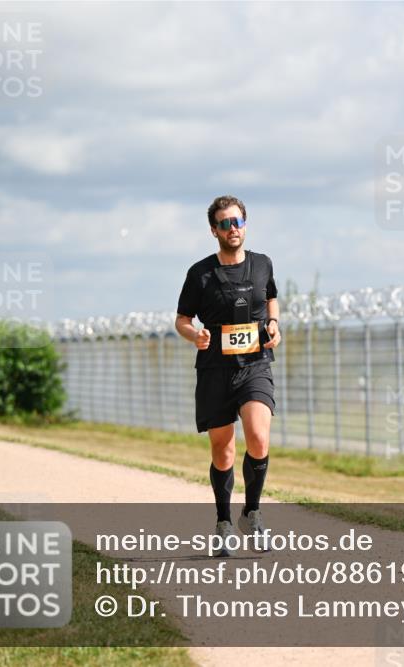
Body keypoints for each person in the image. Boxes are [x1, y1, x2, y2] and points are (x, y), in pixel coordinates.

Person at [174, 195, 281, 556]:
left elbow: (270, 297)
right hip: (215, 370)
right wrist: (195, 335)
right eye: (225, 223)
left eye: (237, 222)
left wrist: (275, 323)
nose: (232, 229)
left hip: (255, 365)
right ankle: (223, 522)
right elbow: (182, 320)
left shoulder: (262, 264)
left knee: (259, 437)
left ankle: (252, 513)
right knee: (223, 452)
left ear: (245, 224)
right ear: (213, 230)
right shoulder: (200, 274)